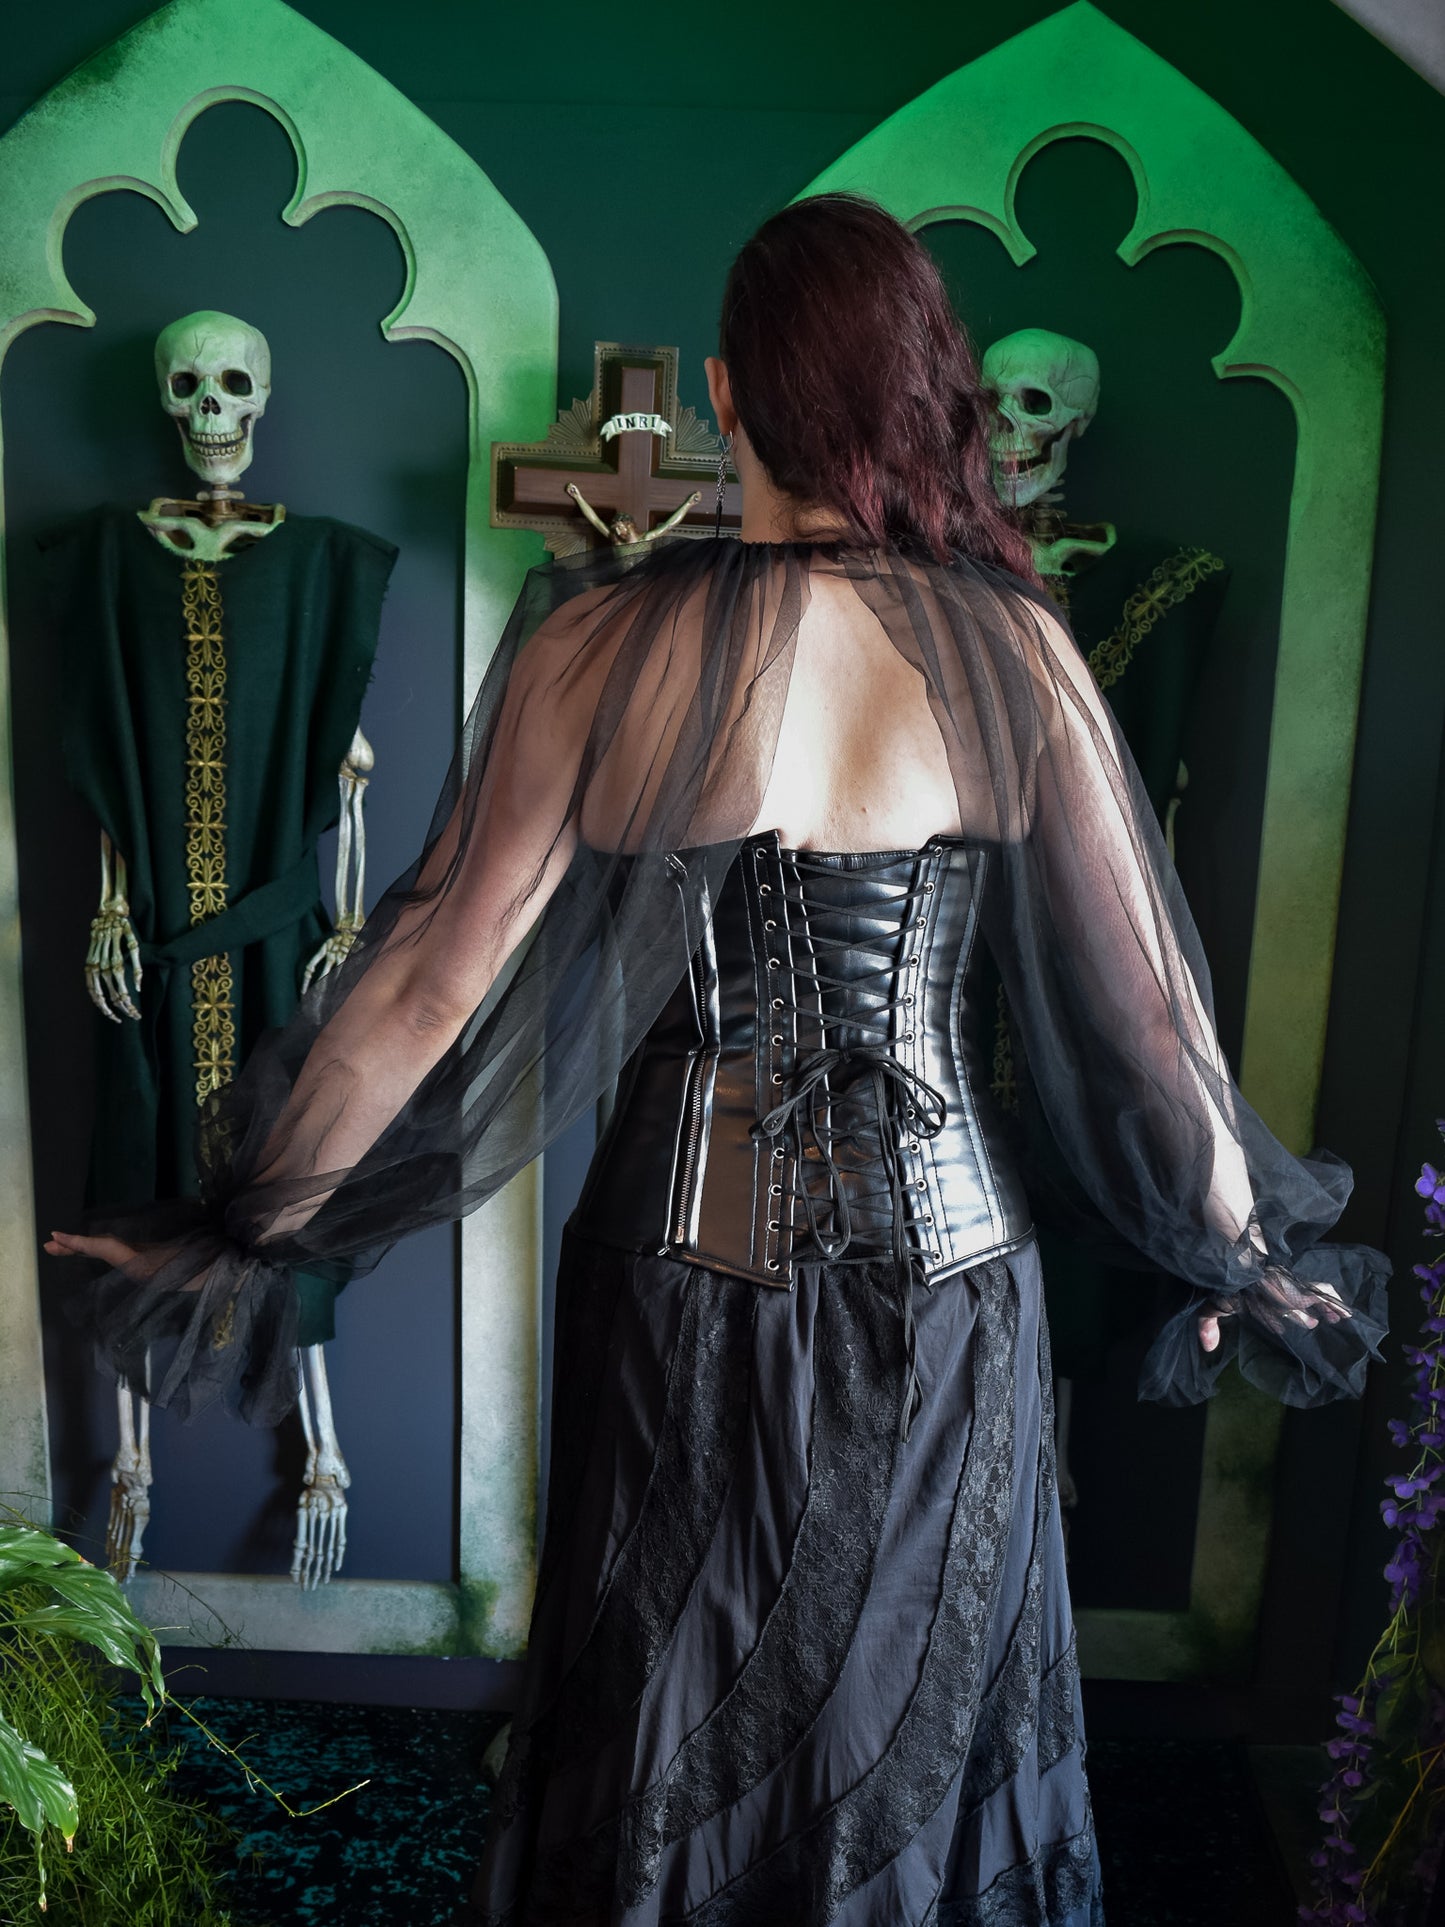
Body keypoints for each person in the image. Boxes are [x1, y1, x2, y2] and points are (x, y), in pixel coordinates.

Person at [48, 194, 1389, 1926]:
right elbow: (1150, 1025)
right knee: (913, 1693)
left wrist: (246, 1224)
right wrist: (1242, 1246)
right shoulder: (1017, 652)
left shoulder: (602, 644)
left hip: (676, 1270)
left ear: (726, 394)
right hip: (948, 1282)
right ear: (922, 391)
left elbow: (428, 982)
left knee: (667, 1681)